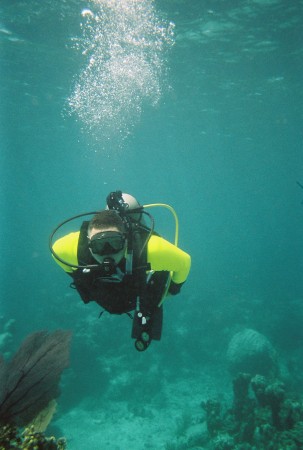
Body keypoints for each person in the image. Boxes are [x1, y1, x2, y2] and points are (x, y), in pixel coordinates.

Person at [50, 191, 191, 351]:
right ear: (88, 243)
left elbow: (184, 262)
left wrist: (172, 289)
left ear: (125, 238)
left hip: (138, 284)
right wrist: (78, 277)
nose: (107, 253)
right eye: (99, 246)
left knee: (159, 279)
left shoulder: (148, 249)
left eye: (114, 243)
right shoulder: (70, 248)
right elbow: (55, 253)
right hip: (114, 291)